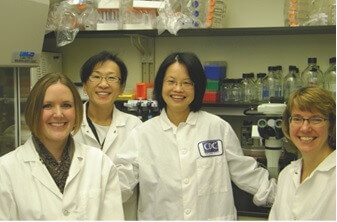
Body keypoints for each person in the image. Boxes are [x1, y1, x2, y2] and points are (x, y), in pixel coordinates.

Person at [113, 52, 276, 220]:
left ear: (198, 87)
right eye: (171, 82)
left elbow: (245, 172)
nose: (178, 89)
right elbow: (120, 182)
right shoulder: (142, 134)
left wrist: (283, 197)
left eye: (187, 83)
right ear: (160, 85)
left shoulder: (217, 128)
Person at [0, 73, 124, 220]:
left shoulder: (100, 163)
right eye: (47, 106)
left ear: (77, 111)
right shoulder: (6, 170)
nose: (58, 114)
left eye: (66, 105)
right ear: (33, 111)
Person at [73, 51, 142, 220]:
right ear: (84, 85)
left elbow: (127, 186)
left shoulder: (135, 127)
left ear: (121, 87)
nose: (103, 84)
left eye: (112, 78)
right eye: (96, 77)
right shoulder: (69, 124)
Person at [269, 86, 336, 220]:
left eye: (316, 119)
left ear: (332, 125)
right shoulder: (286, 175)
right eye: (297, 119)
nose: (305, 128)